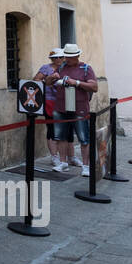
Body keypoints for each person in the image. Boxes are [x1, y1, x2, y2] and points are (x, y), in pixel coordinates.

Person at [50, 43, 98, 176]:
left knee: (84, 138)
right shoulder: (61, 68)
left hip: (79, 108)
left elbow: (94, 87)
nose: (67, 59)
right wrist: (51, 78)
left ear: (77, 56)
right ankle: (63, 163)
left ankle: (86, 166)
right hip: (60, 107)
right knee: (60, 137)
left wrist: (76, 82)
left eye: (70, 57)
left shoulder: (86, 68)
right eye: (66, 56)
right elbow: (48, 83)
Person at [34, 48, 66, 171]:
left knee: (64, 130)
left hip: (64, 101)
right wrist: (49, 78)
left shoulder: (66, 68)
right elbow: (35, 80)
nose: (58, 59)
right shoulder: (45, 68)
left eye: (60, 57)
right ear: (51, 59)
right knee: (52, 129)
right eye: (55, 57)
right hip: (50, 101)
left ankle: (67, 157)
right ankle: (54, 157)